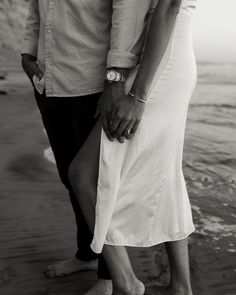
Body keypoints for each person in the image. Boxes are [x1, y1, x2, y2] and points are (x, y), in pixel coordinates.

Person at [21, 0, 159, 294]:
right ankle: (87, 255)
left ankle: (108, 278)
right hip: (48, 83)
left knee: (101, 185)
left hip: (94, 84)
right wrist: (27, 54)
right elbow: (35, 10)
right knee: (71, 180)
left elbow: (125, 14)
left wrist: (115, 80)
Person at [68, 0, 197, 294]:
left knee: (82, 173)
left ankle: (127, 282)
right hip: (162, 52)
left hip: (161, 59)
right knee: (167, 174)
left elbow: (168, 8)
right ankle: (180, 286)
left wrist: (138, 97)